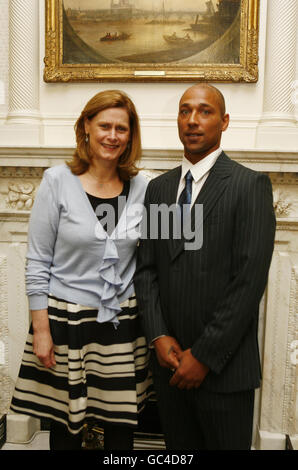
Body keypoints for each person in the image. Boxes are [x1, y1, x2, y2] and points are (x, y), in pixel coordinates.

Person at [134, 84, 276, 450]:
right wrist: (159, 336)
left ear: (224, 121)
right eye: (184, 111)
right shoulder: (160, 190)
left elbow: (248, 282)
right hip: (169, 368)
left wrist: (203, 357)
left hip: (223, 371)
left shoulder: (249, 186)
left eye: (205, 111)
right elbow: (148, 269)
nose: (192, 120)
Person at [10, 89, 153, 450]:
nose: (112, 136)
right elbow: (38, 261)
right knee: (65, 428)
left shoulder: (143, 187)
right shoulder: (57, 181)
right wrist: (41, 330)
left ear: (130, 135)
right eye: (105, 125)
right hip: (64, 322)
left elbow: (169, 246)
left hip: (122, 322)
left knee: (121, 429)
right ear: (87, 126)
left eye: (122, 128)